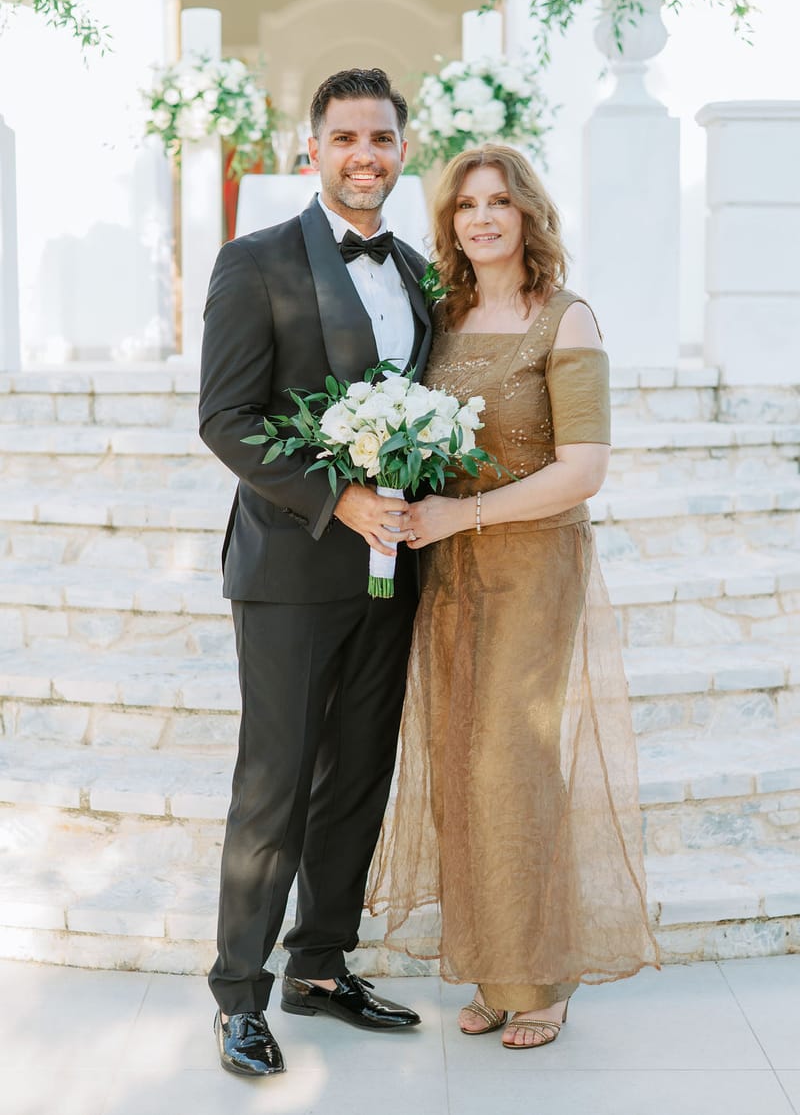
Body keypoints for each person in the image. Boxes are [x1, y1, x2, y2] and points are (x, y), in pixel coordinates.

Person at [367, 144, 659, 1050]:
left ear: (530, 213)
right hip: (448, 569)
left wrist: (468, 515)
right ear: (449, 224)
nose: (482, 218)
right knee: (458, 760)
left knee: (511, 762)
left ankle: (544, 981)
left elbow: (585, 472)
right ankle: (497, 972)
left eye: (500, 201)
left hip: (532, 563)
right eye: (465, 206)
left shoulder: (567, 321)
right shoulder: (441, 317)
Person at [199, 67, 431, 1078]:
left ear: (402, 149)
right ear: (314, 149)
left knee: (357, 777)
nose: (363, 155)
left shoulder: (421, 272)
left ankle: (321, 967)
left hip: (390, 573)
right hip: (290, 569)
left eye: (379, 137)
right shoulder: (254, 264)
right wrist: (333, 495)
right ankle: (239, 995)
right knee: (275, 782)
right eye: (345, 138)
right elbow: (225, 418)